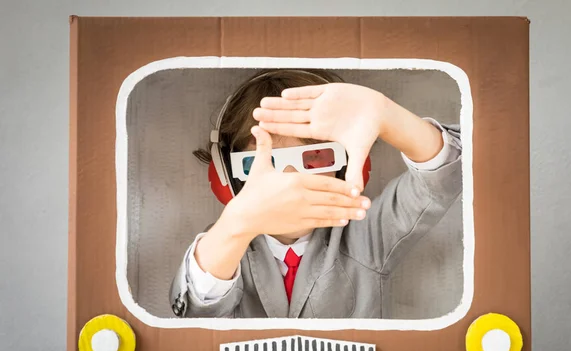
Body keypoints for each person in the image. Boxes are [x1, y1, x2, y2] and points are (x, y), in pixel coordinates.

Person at [169, 69, 462, 319]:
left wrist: (388, 116)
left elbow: (439, 181)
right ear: (227, 176)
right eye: (265, 160)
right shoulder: (227, 240)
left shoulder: (367, 234)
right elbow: (194, 311)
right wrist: (236, 224)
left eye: (316, 156)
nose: (291, 177)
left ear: (347, 164)